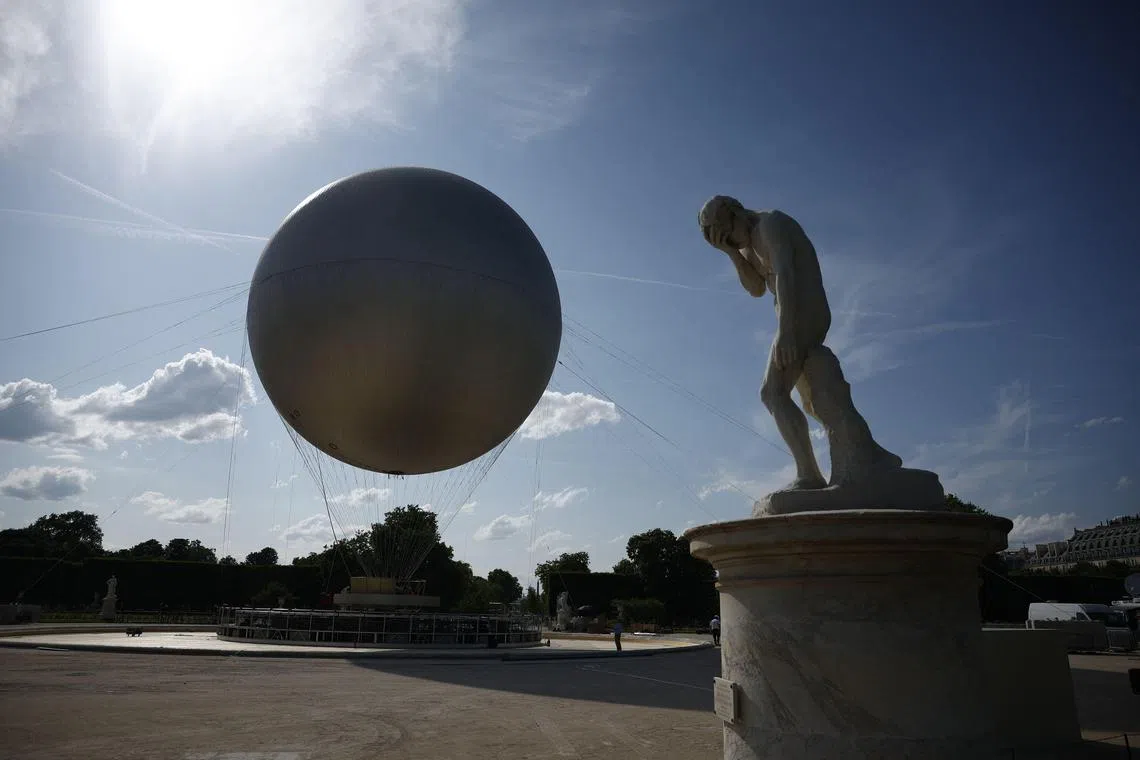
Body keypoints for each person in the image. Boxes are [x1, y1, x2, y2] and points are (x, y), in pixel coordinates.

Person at [696, 197, 902, 492]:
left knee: (773, 393)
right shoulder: (746, 242)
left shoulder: (771, 225)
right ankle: (871, 453)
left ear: (735, 213)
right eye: (722, 239)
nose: (729, 240)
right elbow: (755, 289)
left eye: (726, 233)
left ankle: (809, 475)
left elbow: (785, 275)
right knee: (812, 401)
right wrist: (731, 252)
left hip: (805, 314)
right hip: (792, 317)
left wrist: (786, 332)